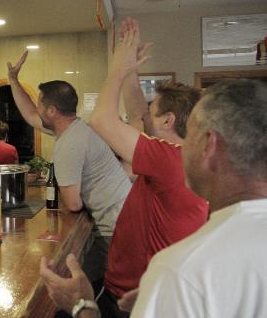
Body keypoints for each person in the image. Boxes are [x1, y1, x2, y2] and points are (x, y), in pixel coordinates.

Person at [40, 79, 267, 318]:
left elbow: (104, 122)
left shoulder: (181, 270)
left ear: (208, 145)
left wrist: (82, 305)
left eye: (189, 134)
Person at [40, 18, 209, 317]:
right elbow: (137, 112)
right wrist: (131, 71)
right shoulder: (183, 156)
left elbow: (102, 121)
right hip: (145, 287)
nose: (145, 117)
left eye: (154, 113)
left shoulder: (170, 159)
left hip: (128, 292)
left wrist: (117, 71)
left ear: (169, 121)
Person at [7, 51, 132, 287]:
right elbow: (32, 115)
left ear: (52, 111)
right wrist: (13, 80)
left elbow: (73, 204)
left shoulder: (68, 145)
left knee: (68, 280)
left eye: (41, 103)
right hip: (124, 223)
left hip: (115, 232)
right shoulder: (76, 128)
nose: (38, 109)